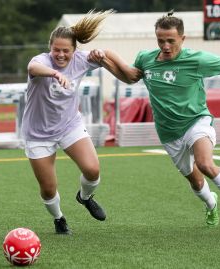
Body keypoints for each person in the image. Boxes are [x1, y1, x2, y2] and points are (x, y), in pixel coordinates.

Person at [89, 11, 220, 231]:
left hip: (196, 122)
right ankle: (211, 204)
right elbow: (131, 77)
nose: (165, 45)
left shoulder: (196, 60)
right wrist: (104, 60)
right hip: (169, 133)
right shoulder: (146, 58)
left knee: (205, 164)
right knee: (196, 182)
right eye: (161, 40)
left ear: (182, 39)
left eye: (171, 41)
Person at [21, 10, 140, 235]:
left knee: (92, 169)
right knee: (48, 189)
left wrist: (101, 55)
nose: (61, 55)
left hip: (69, 126)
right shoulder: (41, 61)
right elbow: (32, 69)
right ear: (50, 48)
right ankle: (59, 218)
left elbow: (107, 54)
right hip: (38, 134)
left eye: (66, 50)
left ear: (75, 50)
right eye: (56, 50)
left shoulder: (80, 60)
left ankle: (84, 197)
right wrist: (55, 74)